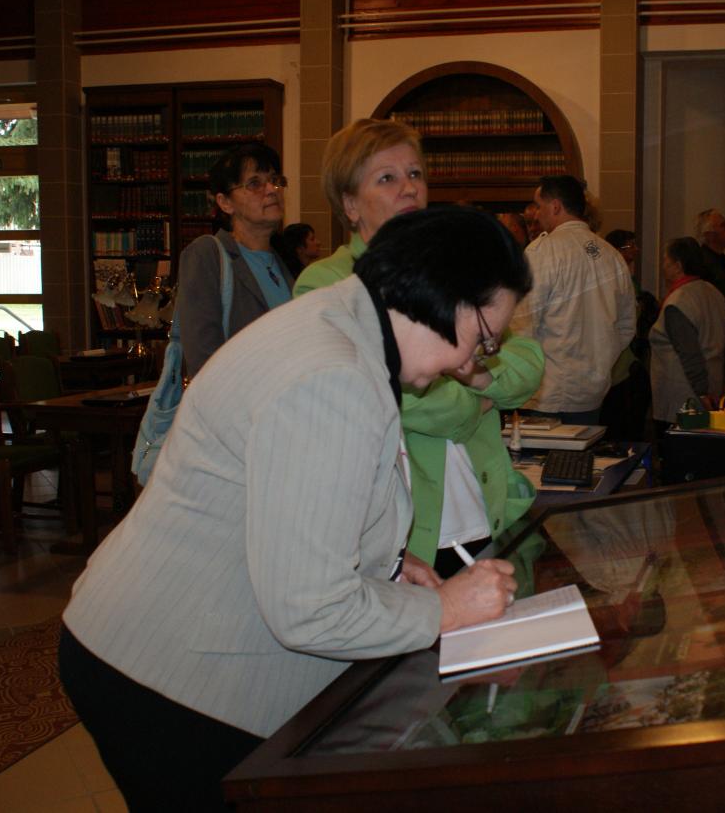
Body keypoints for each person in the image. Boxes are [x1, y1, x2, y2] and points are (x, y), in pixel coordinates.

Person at [59, 207, 529, 810]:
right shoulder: (334, 375)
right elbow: (310, 608)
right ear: (440, 295)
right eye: (483, 339)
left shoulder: (343, 326)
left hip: (161, 640)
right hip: (167, 672)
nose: (470, 365)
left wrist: (383, 561)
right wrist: (446, 607)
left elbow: (292, 496)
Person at [295, 119, 545, 576]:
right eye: (387, 178)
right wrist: (478, 401)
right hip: (413, 531)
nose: (409, 188)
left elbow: (529, 364)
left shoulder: (453, 269)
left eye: (415, 174)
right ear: (350, 204)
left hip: (489, 504)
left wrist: (479, 377)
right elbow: (413, 403)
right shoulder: (328, 285)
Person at [511, 175, 635, 425]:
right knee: (581, 451)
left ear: (556, 206)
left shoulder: (542, 251)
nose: (536, 215)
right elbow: (626, 325)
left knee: (541, 453)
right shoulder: (611, 255)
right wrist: (599, 360)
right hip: (593, 391)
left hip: (547, 393)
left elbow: (522, 323)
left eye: (539, 206)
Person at [178, 143, 294, 378]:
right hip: (237, 397)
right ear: (225, 203)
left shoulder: (285, 259)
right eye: (254, 183)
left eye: (275, 180)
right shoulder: (207, 255)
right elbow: (202, 360)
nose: (271, 189)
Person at [649, 236, 725, 433]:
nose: (663, 266)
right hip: (713, 388)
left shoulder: (678, 302)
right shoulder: (715, 293)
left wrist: (702, 392)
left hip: (682, 399)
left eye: (665, 261)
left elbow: (689, 352)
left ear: (678, 266)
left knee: (677, 449)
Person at [600, 229, 659, 440]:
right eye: (629, 246)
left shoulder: (628, 278)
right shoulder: (611, 279)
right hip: (616, 363)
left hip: (627, 359)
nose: (635, 250)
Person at [695, 208, 725, 395]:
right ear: (709, 234)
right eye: (723, 225)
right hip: (714, 347)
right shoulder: (704, 264)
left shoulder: (719, 260)